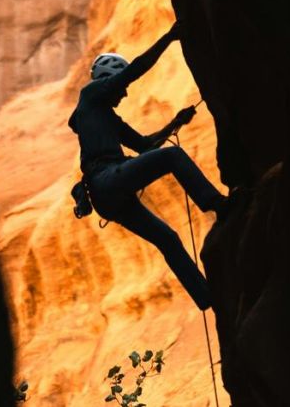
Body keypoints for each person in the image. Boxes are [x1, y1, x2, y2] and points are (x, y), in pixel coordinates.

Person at [68, 21, 227, 311]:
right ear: (108, 78)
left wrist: (175, 123)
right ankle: (217, 204)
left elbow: (143, 146)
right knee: (172, 157)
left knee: (167, 238)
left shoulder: (102, 115)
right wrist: (168, 37)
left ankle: (208, 299)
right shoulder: (90, 96)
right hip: (107, 180)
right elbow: (136, 69)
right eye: (120, 85)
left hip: (107, 193)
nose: (125, 93)